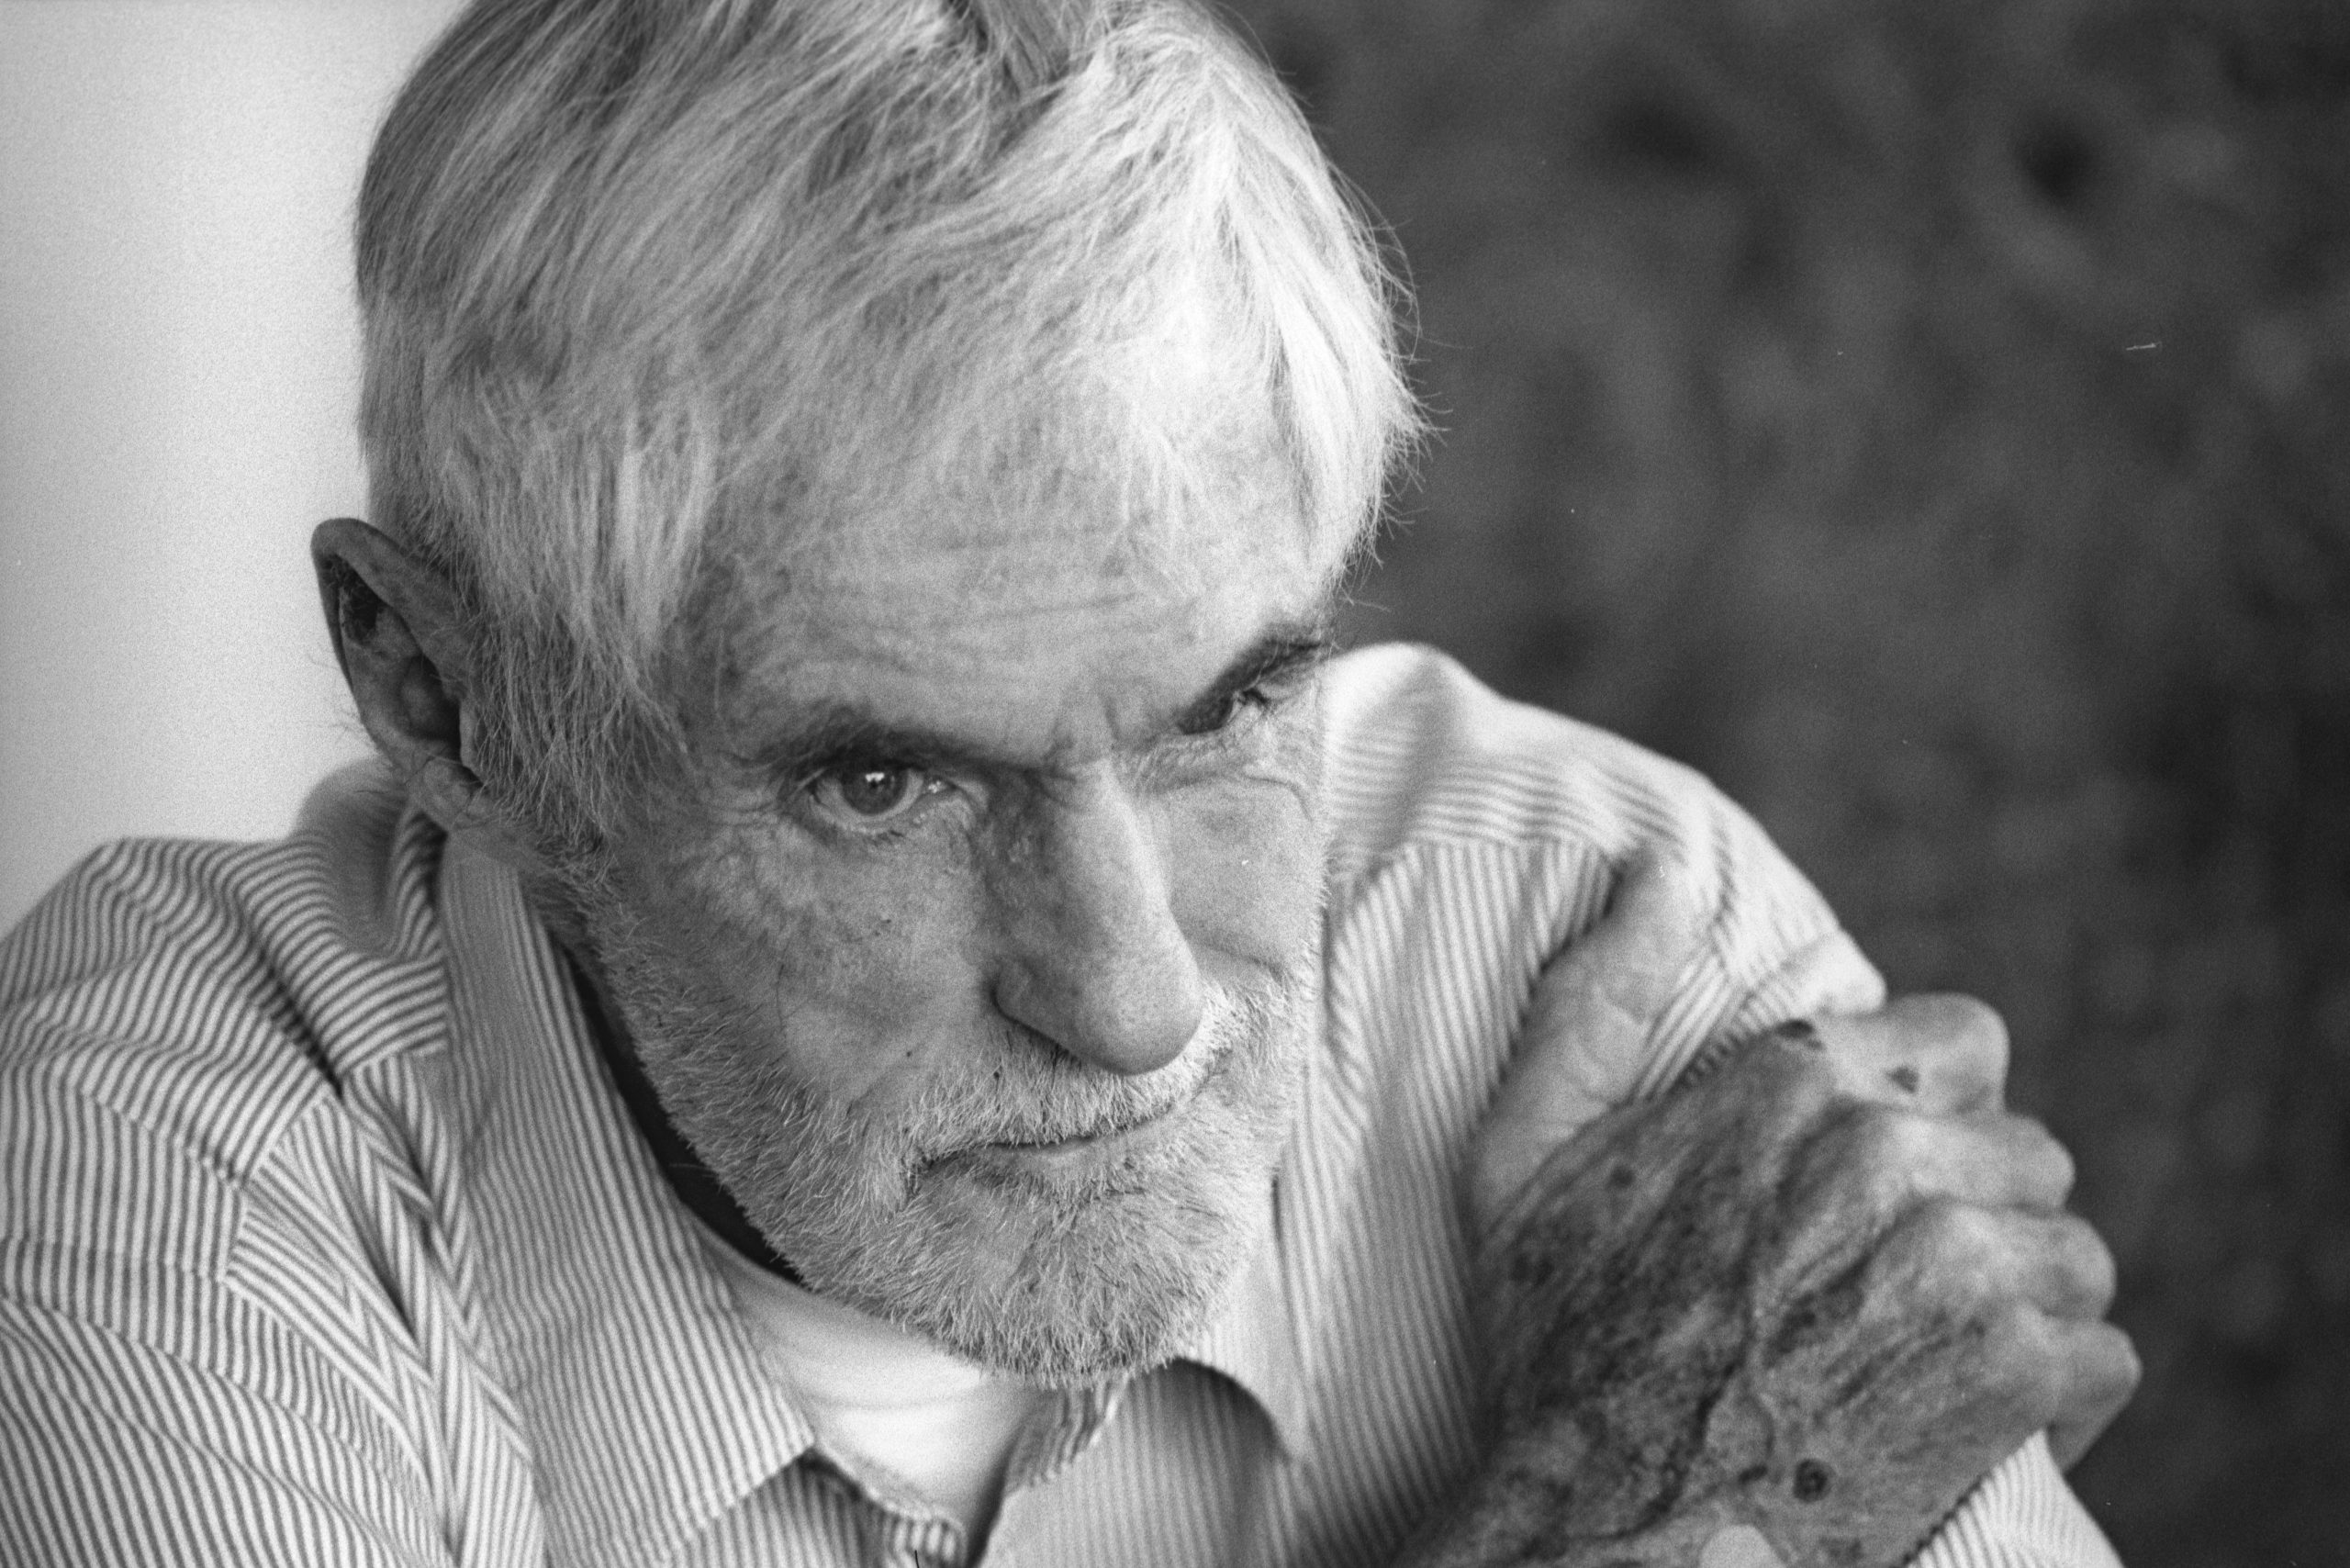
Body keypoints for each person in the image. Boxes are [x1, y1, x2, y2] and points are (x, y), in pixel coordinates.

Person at [0, 1, 2136, 1564]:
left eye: (1226, 709)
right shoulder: (163, 1152)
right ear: (447, 699)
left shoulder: (1572, 919)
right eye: (876, 782)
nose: (1129, 999)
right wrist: (1626, 1506)